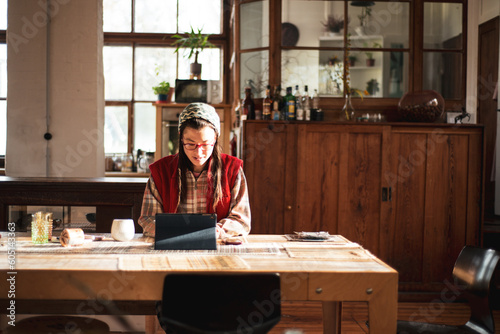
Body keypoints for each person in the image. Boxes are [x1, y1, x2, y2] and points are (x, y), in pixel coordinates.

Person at [138, 102, 251, 242]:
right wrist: (179, 230)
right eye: (191, 144)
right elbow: (148, 219)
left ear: (215, 138)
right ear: (181, 137)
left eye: (205, 144)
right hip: (172, 246)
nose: (198, 153)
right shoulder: (161, 171)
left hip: (217, 247)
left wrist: (219, 231)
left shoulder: (232, 170)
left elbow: (242, 221)